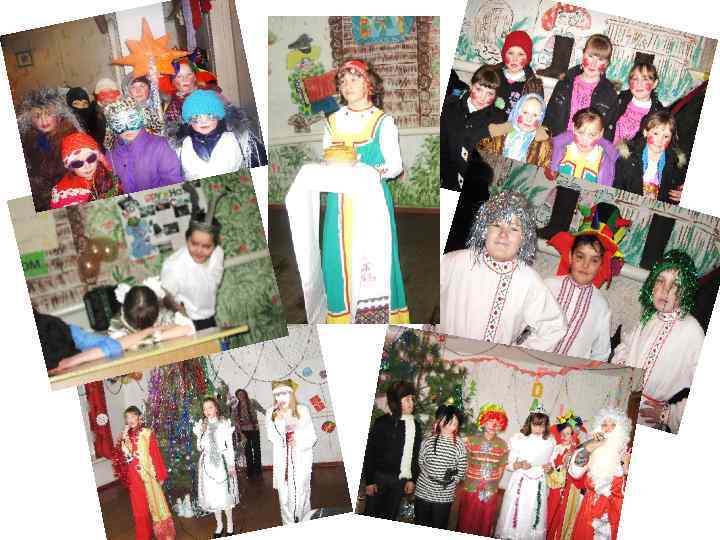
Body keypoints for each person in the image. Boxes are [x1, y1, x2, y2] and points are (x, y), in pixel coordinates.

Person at [322, 59, 409, 323]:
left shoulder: (383, 121)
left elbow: (395, 166)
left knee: (374, 259)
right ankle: (343, 317)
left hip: (371, 202)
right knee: (339, 258)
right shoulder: (333, 121)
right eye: (343, 81)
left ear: (368, 84)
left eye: (354, 79)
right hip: (339, 202)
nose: (347, 85)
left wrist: (365, 171)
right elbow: (327, 159)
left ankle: (376, 317)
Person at [439, 190, 567, 350]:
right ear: (485, 229)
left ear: (524, 237)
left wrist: (517, 353)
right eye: (497, 225)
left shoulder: (528, 281)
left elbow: (554, 327)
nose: (503, 234)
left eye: (514, 229)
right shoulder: (453, 262)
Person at [611, 250, 704, 433]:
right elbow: (626, 344)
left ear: (686, 291)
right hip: (619, 401)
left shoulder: (692, 331)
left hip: (645, 419)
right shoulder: (648, 318)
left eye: (675, 284)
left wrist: (669, 414)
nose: (665, 290)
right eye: (660, 280)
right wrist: (622, 366)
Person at [545, 203, 630, 360]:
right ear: (570, 257)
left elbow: (601, 354)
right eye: (580, 257)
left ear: (601, 265)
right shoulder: (548, 286)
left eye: (594, 260)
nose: (585, 265)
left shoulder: (601, 307)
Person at [170, 89, 267, 180]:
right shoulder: (179, 147)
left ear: (218, 116)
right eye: (196, 117)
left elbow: (261, 164)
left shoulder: (240, 139)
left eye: (210, 115)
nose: (204, 121)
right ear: (188, 121)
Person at [111, 406, 176, 540]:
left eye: (133, 416)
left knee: (157, 505)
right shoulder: (124, 436)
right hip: (133, 477)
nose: (130, 420)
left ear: (139, 417)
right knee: (139, 508)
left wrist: (161, 474)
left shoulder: (147, 433)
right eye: (127, 417)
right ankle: (143, 535)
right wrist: (122, 440)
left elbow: (155, 454)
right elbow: (119, 458)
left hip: (149, 475)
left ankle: (165, 533)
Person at [567, 408, 631, 540]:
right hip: (589, 507)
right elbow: (575, 473)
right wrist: (590, 448)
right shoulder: (591, 447)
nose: (608, 429)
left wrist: (626, 471)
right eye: (604, 425)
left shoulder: (626, 454)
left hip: (613, 512)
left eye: (613, 425)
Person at [362, 380, 422, 521]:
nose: (411, 403)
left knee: (390, 515)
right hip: (379, 478)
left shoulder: (415, 426)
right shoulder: (382, 423)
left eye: (412, 399)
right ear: (395, 402)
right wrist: (369, 481)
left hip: (400, 480)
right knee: (372, 512)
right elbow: (370, 453)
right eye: (407, 399)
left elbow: (415, 455)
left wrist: (412, 480)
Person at [440, 65, 506, 191]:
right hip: (448, 182)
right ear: (471, 85)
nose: (482, 97)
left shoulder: (499, 119)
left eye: (490, 93)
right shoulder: (449, 108)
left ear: (496, 95)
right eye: (479, 89)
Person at [16, 88, 83, 211]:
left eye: (49, 113)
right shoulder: (30, 140)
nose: (43, 120)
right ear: (30, 120)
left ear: (59, 115)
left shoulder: (72, 138)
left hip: (70, 198)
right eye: (37, 116)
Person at [495, 408, 556, 540]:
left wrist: (549, 468)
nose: (538, 429)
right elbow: (508, 464)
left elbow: (551, 463)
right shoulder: (519, 439)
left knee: (533, 513)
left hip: (538, 482)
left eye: (542, 426)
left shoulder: (550, 441)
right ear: (529, 423)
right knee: (518, 512)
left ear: (546, 426)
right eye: (535, 425)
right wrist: (520, 464)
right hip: (521, 482)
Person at [161, 208, 225, 331]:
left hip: (209, 318)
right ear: (187, 239)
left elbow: (214, 282)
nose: (199, 251)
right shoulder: (173, 266)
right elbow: (166, 301)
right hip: (183, 324)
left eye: (206, 246)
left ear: (215, 245)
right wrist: (185, 319)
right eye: (194, 243)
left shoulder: (218, 254)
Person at [544, 34, 617, 140]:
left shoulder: (610, 94)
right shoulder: (564, 83)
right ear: (583, 54)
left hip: (588, 148)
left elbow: (607, 133)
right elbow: (548, 118)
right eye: (590, 56)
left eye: (600, 59)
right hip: (558, 143)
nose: (593, 63)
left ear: (606, 63)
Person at [105, 97, 184, 193]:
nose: (127, 128)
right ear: (111, 126)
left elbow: (173, 183)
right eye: (118, 123)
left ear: (142, 117)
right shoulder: (111, 153)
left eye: (132, 120)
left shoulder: (160, 146)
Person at [266, 379, 317, 524]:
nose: (281, 398)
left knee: (301, 494)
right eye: (277, 395)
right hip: (282, 460)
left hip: (300, 458)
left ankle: (305, 520)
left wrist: (298, 440)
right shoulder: (271, 412)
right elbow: (272, 436)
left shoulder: (302, 410)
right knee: (284, 497)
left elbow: (312, 436)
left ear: (291, 394)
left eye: (284, 393)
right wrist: (278, 420)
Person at [456, 403, 509, 537]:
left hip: (490, 489)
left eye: (497, 422)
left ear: (501, 425)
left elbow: (501, 467)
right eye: (490, 421)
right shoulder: (471, 441)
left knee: (485, 520)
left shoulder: (503, 445)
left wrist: (492, 483)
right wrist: (469, 479)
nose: (493, 425)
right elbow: (465, 462)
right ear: (483, 421)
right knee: (467, 518)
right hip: (471, 487)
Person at [413, 404, 467, 530]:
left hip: (444, 494)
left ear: (457, 426)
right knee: (420, 521)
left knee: (439, 524)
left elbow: (462, 467)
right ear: (439, 420)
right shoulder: (428, 441)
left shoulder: (459, 444)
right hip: (423, 490)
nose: (450, 425)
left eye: (454, 423)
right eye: (447, 421)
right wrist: (427, 475)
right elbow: (421, 461)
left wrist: (453, 480)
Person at [614, 110, 686, 202]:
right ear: (645, 132)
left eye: (666, 136)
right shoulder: (627, 157)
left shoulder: (676, 164)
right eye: (656, 133)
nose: (660, 140)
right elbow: (617, 190)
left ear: (671, 138)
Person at [193, 397, 239, 538]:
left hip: (221, 464)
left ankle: (230, 524)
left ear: (216, 408)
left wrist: (231, 464)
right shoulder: (202, 426)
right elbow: (200, 447)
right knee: (213, 495)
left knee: (224, 494)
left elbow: (229, 446)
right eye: (205, 408)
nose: (207, 411)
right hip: (208, 466)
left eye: (210, 407)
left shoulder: (224, 424)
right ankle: (219, 525)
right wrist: (200, 433)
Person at [109, 276, 196, 345]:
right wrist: (144, 338)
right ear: (124, 310)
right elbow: (116, 344)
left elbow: (188, 327)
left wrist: (156, 337)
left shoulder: (164, 315)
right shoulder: (118, 322)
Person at [476, 93, 553, 166]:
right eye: (525, 112)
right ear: (516, 112)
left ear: (541, 118)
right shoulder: (497, 134)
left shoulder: (543, 145)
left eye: (535, 115)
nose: (529, 119)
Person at [50, 132, 122, 208]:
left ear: (98, 157)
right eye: (78, 163)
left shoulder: (110, 171)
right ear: (70, 167)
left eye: (91, 158)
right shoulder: (67, 195)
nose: (87, 166)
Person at [549, 108, 618, 185]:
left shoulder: (604, 161)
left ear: (600, 134)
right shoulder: (561, 149)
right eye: (581, 132)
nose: (584, 140)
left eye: (592, 135)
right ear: (574, 128)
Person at [546, 411, 586, 540]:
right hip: (554, 486)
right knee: (551, 512)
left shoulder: (576, 451)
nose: (564, 436)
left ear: (573, 434)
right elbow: (550, 466)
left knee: (562, 516)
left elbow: (577, 472)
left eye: (567, 433)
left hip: (569, 489)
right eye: (562, 433)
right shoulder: (556, 448)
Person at [607, 62, 664, 144]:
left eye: (645, 79)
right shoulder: (618, 98)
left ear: (654, 83)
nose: (639, 84)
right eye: (635, 79)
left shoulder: (659, 114)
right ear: (629, 82)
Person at [492, 30, 544, 116]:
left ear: (528, 58)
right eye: (510, 53)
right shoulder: (493, 76)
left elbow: (537, 114)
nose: (514, 59)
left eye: (520, 54)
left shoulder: (533, 85)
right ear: (504, 54)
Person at [233, 388, 263, 479]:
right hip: (244, 432)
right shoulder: (236, 407)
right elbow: (235, 420)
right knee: (248, 451)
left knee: (257, 450)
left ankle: (258, 470)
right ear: (237, 397)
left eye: (242, 394)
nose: (241, 396)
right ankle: (250, 471)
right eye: (239, 395)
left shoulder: (252, 402)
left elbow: (262, 409)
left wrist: (271, 415)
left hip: (254, 429)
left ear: (245, 394)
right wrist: (239, 431)